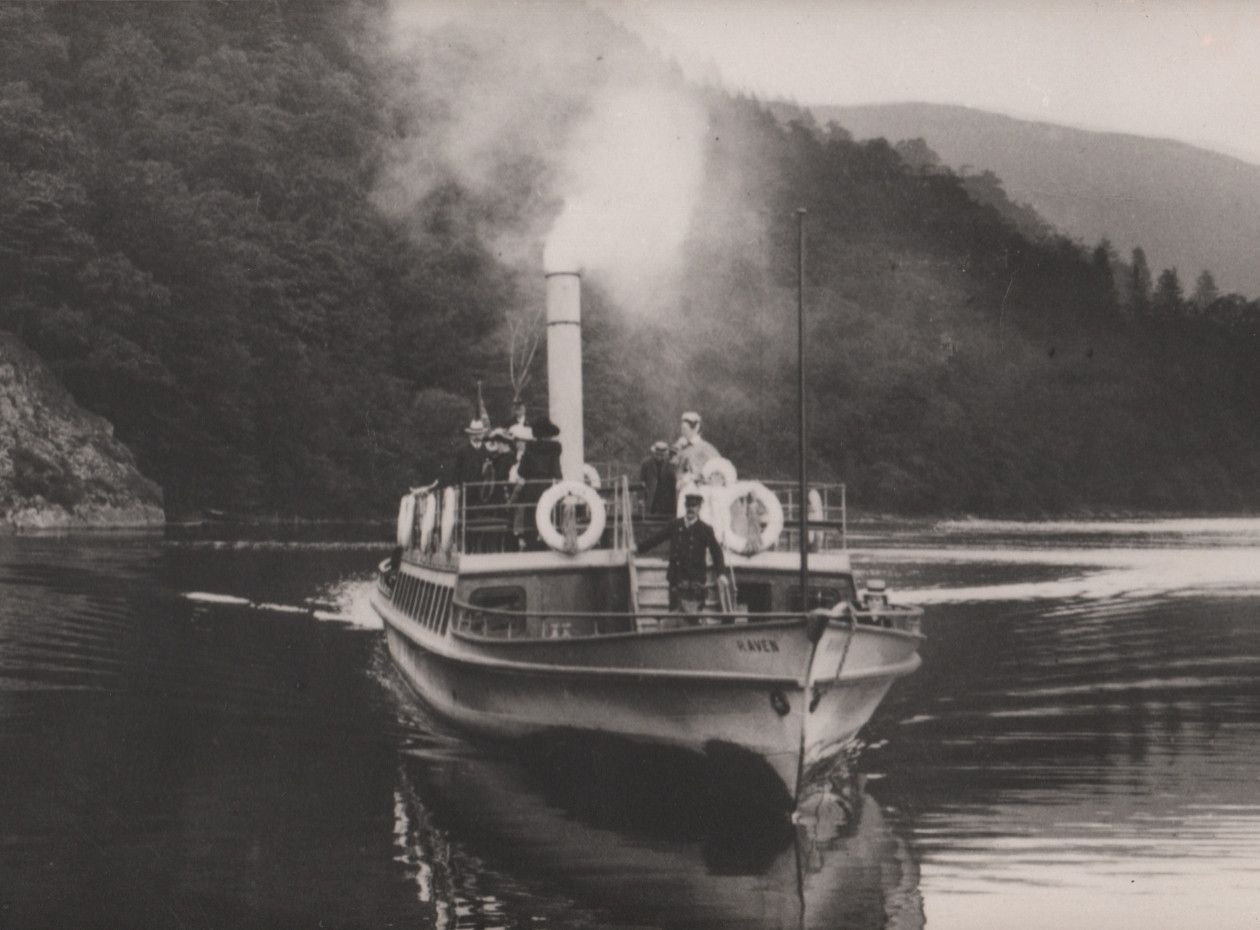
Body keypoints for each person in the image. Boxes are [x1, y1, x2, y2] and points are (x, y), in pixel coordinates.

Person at [635, 491, 727, 617]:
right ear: (685, 506)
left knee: (694, 618)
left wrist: (721, 574)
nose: (691, 509)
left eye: (694, 506)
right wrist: (638, 548)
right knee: (674, 615)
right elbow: (657, 538)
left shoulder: (705, 530)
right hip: (677, 579)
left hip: (696, 582)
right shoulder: (675, 525)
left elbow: (716, 552)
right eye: (688, 506)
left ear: (699, 508)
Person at [511, 416, 563, 549]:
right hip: (546, 486)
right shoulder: (554, 449)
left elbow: (521, 471)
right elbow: (557, 472)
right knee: (548, 514)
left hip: (531, 487)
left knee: (531, 518)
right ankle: (547, 545)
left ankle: (531, 545)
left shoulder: (530, 449)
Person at [674, 411, 720, 481]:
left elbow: (716, 470)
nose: (682, 432)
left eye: (685, 429)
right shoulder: (680, 447)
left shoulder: (706, 448)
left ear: (696, 428)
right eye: (682, 429)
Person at [446, 418, 489, 488]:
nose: (477, 436)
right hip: (466, 491)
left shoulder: (487, 451)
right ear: (470, 435)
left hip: (483, 493)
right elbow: (456, 472)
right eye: (474, 434)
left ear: (482, 434)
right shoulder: (463, 451)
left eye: (479, 434)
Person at [639, 440, 676, 517]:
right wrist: (641, 498)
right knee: (649, 518)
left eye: (662, 455)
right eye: (657, 454)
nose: (659, 457)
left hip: (666, 499)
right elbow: (641, 481)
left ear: (665, 454)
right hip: (651, 496)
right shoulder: (646, 463)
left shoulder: (670, 464)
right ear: (654, 453)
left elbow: (673, 482)